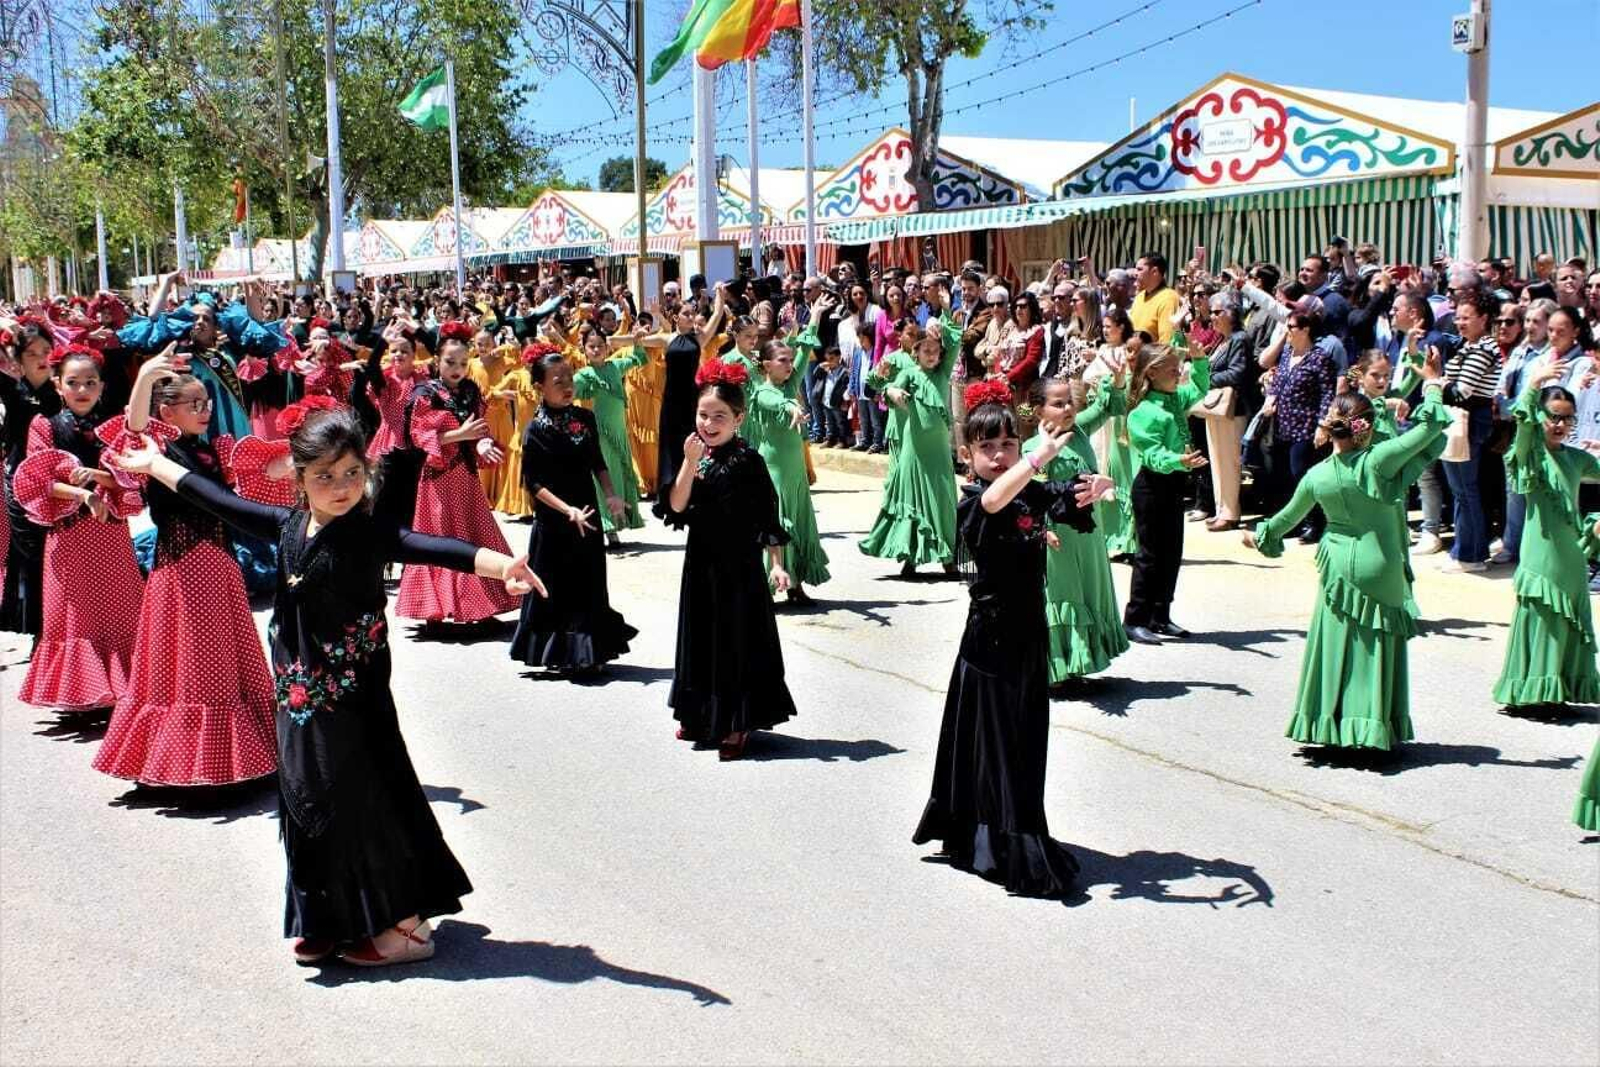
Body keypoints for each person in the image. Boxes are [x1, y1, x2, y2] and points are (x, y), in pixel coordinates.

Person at [109, 403, 543, 967]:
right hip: (296, 697)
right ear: (298, 477)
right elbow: (216, 499)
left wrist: (501, 563)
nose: (341, 488)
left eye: (351, 473)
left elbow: (427, 546)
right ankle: (328, 918)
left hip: (355, 701)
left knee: (362, 799)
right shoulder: (287, 526)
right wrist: (155, 464)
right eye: (324, 476)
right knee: (304, 800)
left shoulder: (365, 533)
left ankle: (405, 925)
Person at [911, 380, 1110, 898]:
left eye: (1007, 445)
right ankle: (999, 843)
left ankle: (996, 831)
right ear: (967, 454)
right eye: (987, 448)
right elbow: (999, 500)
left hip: (1028, 637)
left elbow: (1065, 500)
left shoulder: (1028, 489)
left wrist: (1095, 486)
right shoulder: (975, 503)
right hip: (990, 641)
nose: (999, 457)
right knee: (997, 745)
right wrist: (1038, 457)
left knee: (1022, 741)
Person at [92, 356, 277, 786]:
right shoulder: (159, 448)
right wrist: (144, 378)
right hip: (182, 569)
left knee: (223, 657)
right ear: (166, 413)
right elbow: (132, 431)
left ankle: (238, 759)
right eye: (193, 404)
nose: (204, 410)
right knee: (190, 659)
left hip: (222, 562)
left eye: (206, 402)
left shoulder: (210, 450)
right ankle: (184, 762)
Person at [1245, 374, 1451, 751]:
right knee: (1373, 647)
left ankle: (1331, 722)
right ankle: (1370, 727)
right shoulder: (1379, 460)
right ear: (1365, 428)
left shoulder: (1317, 475)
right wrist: (1434, 384)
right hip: (1381, 565)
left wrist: (1261, 536)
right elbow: (1433, 426)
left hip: (1337, 568)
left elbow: (1284, 521)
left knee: (1336, 642)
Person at [658, 361, 797, 761]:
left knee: (736, 642)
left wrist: (777, 563)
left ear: (739, 418)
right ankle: (699, 714)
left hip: (739, 568)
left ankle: (737, 722)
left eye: (720, 416)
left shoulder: (748, 461)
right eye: (703, 415)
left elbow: (766, 517)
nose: (709, 423)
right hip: (700, 565)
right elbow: (676, 505)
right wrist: (687, 462)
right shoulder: (691, 454)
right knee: (701, 638)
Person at [13, 343, 146, 713]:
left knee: (119, 608)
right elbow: (36, 480)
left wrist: (101, 477)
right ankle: (84, 692)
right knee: (76, 612)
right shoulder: (44, 425)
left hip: (110, 533)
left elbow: (132, 477)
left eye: (90, 382)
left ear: (102, 386)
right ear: (58, 385)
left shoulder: (115, 427)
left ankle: (125, 687)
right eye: (73, 382)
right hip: (69, 535)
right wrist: (85, 495)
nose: (82, 389)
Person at [508, 350, 636, 675]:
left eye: (569, 378)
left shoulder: (585, 419)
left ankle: (589, 653)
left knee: (589, 583)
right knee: (557, 588)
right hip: (554, 523)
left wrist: (611, 496)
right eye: (557, 381)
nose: (567, 386)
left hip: (587, 515)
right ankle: (560, 654)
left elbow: (597, 462)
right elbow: (534, 484)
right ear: (539, 387)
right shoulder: (535, 430)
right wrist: (567, 511)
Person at [1491, 368, 1600, 714]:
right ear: (1541, 415)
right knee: (1543, 618)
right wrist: (1534, 383)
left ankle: (1559, 689)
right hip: (1541, 556)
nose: (1560, 425)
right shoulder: (1530, 455)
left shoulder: (1575, 457)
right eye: (1553, 416)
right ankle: (1533, 691)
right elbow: (1522, 428)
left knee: (1568, 621)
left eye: (1567, 419)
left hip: (1572, 556)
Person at [395, 331, 520, 628]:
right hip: (437, 478)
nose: (458, 368)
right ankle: (434, 609)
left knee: (473, 536)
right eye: (451, 361)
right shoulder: (426, 393)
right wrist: (461, 435)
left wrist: (482, 444)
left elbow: (478, 431)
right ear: (437, 360)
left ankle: (479, 607)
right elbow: (421, 436)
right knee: (438, 540)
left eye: (464, 362)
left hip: (464, 475)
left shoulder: (471, 391)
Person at [1024, 370, 1129, 688]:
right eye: (1058, 404)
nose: (1068, 408)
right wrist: (1041, 530)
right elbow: (1029, 495)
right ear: (1039, 410)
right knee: (1063, 596)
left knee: (1087, 592)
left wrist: (1118, 381)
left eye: (1069, 401)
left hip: (1089, 535)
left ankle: (1079, 663)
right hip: (1059, 538)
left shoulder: (1079, 432)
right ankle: (1057, 672)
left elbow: (1110, 406)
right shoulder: (1034, 446)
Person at [859, 294, 962, 578]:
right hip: (913, 449)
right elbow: (885, 387)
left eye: (935, 351)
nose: (931, 355)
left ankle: (947, 557)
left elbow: (954, 341)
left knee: (941, 501)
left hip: (939, 451)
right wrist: (892, 391)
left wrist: (943, 308)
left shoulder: (942, 373)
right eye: (925, 351)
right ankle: (911, 559)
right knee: (912, 500)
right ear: (915, 353)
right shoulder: (909, 373)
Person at [1122, 343, 1210, 644]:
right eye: (1172, 368)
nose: (1178, 371)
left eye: (1178, 366)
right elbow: (1151, 455)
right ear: (1152, 372)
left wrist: (1198, 360)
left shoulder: (1174, 398)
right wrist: (1178, 460)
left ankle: (1160, 615)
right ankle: (1135, 618)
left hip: (1173, 486)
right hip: (1152, 487)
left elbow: (1199, 388)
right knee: (1149, 555)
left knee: (1172, 553)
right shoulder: (1143, 412)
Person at [746, 338, 830, 603]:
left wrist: (815, 317)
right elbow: (777, 402)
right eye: (782, 360)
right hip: (774, 473)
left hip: (795, 474)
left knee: (798, 523)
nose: (789, 365)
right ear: (767, 365)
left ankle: (795, 585)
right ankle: (768, 586)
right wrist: (791, 406)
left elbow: (804, 356)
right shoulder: (762, 392)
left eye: (789, 360)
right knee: (778, 523)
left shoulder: (791, 383)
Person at [0, 315, 62, 641]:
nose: (41, 359)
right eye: (31, 353)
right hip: (20, 486)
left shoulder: (64, 391)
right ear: (17, 362)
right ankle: (40, 630)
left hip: (58, 487)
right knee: (31, 555)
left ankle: (55, 628)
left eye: (45, 351)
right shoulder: (13, 392)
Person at [1437, 290, 1503, 572]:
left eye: (1466, 317)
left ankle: (1471, 555)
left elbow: (1460, 391)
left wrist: (1435, 382)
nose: (1460, 322)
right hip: (1463, 421)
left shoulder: (1481, 349)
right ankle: (1464, 550)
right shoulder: (1470, 346)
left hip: (1469, 422)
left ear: (1483, 319)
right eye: (1458, 317)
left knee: (1465, 490)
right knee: (1462, 489)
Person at [572, 328, 649, 544]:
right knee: (603, 477)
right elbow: (568, 391)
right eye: (591, 346)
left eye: (600, 346)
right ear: (584, 350)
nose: (596, 350)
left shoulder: (616, 366)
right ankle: (607, 528)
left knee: (619, 475)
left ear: (607, 348)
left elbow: (639, 359)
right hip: (601, 434)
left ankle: (619, 521)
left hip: (619, 433)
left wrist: (637, 341)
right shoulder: (584, 375)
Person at [651, 289, 726, 511]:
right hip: (671, 399)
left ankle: (697, 489)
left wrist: (720, 299)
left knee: (695, 440)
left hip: (692, 397)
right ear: (676, 318)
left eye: (692, 314)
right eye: (686, 314)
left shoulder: (699, 338)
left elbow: (715, 317)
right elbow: (636, 340)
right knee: (672, 445)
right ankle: (672, 493)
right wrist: (612, 340)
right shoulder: (666, 338)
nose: (691, 317)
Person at [1084, 308, 1140, 557]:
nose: (1105, 330)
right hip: (1100, 418)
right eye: (1103, 326)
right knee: (1102, 470)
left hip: (1118, 419)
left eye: (1110, 326)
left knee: (1122, 475)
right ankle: (1110, 536)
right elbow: (1088, 377)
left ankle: (1129, 538)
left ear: (1122, 327)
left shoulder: (1124, 353)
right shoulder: (1103, 351)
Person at [467, 328, 518, 507]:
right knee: (484, 453)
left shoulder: (501, 361)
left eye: (487, 343)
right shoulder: (471, 364)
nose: (483, 347)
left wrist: (504, 348)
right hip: (482, 414)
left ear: (494, 343)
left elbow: (520, 359)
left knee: (503, 451)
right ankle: (483, 495)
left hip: (502, 413)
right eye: (479, 344)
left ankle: (504, 497)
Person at [1129, 252, 1181, 344]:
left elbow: (1166, 343)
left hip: (1153, 357)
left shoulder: (1168, 298)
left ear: (1154, 272)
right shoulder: (1139, 297)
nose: (1135, 273)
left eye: (1139, 269)